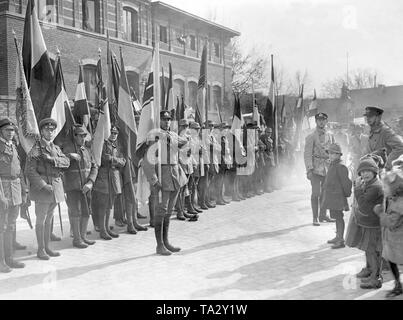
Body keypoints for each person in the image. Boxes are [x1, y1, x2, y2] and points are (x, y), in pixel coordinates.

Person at [142, 111, 188, 255]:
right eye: (164, 119)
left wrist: (175, 138)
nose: (167, 122)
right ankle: (159, 245)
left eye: (169, 119)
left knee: (168, 212)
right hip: (163, 176)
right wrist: (154, 179)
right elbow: (147, 160)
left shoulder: (172, 135)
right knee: (161, 212)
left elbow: (184, 142)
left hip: (175, 175)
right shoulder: (154, 137)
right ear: (159, 120)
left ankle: (166, 241)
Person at [26, 118, 70, 260]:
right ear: (42, 131)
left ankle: (47, 247)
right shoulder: (36, 149)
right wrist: (44, 185)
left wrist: (52, 159)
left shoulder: (55, 148)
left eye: (52, 130)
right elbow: (30, 171)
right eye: (47, 130)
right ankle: (41, 249)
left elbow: (66, 162)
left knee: (49, 219)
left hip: (56, 187)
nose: (50, 132)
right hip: (43, 189)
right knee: (41, 219)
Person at [346, 157, 384, 289]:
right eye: (362, 172)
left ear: (375, 172)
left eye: (368, 171)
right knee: (368, 248)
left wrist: (356, 188)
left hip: (374, 225)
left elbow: (363, 205)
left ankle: (376, 277)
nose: (365, 174)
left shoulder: (376, 186)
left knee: (373, 250)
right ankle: (369, 269)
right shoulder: (369, 184)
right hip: (369, 223)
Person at [62, 125, 98, 248]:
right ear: (74, 136)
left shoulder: (87, 150)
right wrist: (69, 156)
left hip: (86, 187)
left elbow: (94, 167)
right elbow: (59, 163)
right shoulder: (67, 149)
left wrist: (91, 182)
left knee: (86, 212)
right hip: (73, 187)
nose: (83, 138)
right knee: (75, 212)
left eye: (84, 136)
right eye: (80, 136)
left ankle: (83, 237)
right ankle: (77, 239)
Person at [374, 156, 403, 298]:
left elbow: (391, 222)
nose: (383, 189)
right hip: (394, 241)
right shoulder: (393, 198)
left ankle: (398, 285)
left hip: (398, 241)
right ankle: (398, 284)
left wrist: (380, 213)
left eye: (385, 187)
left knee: (395, 261)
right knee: (393, 261)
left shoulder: (399, 204)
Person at [0, 118, 26, 272]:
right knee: (1, 227)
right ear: (1, 131)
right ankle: (1, 261)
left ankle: (9, 258)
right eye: (7, 130)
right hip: (3, 189)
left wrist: (24, 190)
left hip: (15, 188)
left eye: (12, 131)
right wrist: (1, 196)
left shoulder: (13, 146)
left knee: (10, 225)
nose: (11, 133)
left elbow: (18, 171)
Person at [92, 126, 126, 240]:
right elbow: (103, 157)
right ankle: (102, 230)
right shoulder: (102, 144)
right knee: (103, 205)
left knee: (109, 205)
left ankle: (106, 228)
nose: (114, 134)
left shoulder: (117, 146)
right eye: (111, 132)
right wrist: (115, 160)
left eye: (116, 133)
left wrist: (113, 160)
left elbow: (123, 161)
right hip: (104, 176)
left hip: (114, 177)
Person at [304, 112, 336, 226]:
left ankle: (323, 215)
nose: (321, 122)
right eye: (319, 120)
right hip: (316, 168)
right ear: (316, 121)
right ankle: (315, 217)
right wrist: (309, 169)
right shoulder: (311, 136)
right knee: (316, 193)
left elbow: (334, 151)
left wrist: (335, 165)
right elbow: (307, 154)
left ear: (326, 121)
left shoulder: (331, 135)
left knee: (325, 193)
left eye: (323, 120)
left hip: (327, 167)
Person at [321, 143, 352, 249]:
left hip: (338, 197)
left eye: (333, 154)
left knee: (339, 217)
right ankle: (337, 236)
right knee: (335, 216)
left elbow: (346, 183)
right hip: (332, 196)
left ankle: (341, 240)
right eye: (329, 154)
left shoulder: (341, 166)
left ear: (339, 154)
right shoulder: (332, 164)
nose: (330, 156)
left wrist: (346, 195)